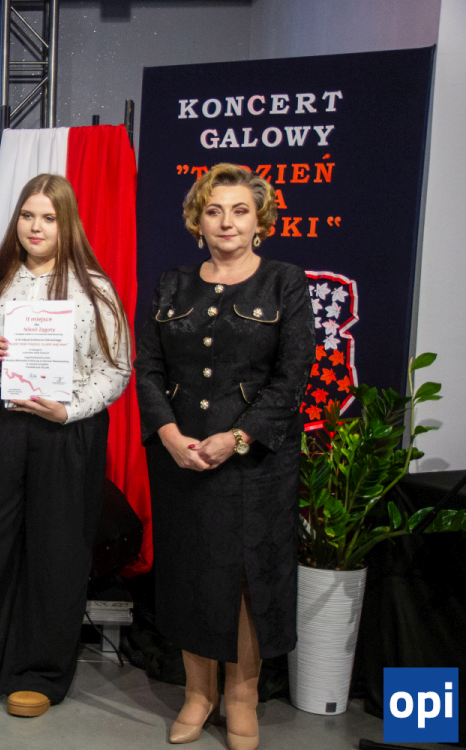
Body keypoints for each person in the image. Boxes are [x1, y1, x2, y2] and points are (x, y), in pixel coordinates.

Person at [0, 174, 130, 717]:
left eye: (48, 217)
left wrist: (70, 409)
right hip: (2, 424)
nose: (36, 227)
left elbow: (116, 370)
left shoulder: (95, 290)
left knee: (57, 551)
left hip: (67, 432)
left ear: (67, 225)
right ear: (16, 221)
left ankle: (39, 673)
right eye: (27, 216)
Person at [134, 164, 314, 750]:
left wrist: (236, 438)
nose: (227, 221)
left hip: (254, 464)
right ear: (198, 220)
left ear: (260, 220)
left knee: (244, 582)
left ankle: (241, 698)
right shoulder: (171, 284)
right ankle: (197, 694)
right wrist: (168, 434)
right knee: (189, 574)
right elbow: (148, 368)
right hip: (182, 457)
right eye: (214, 210)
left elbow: (292, 377)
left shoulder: (285, 282)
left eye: (239, 210)